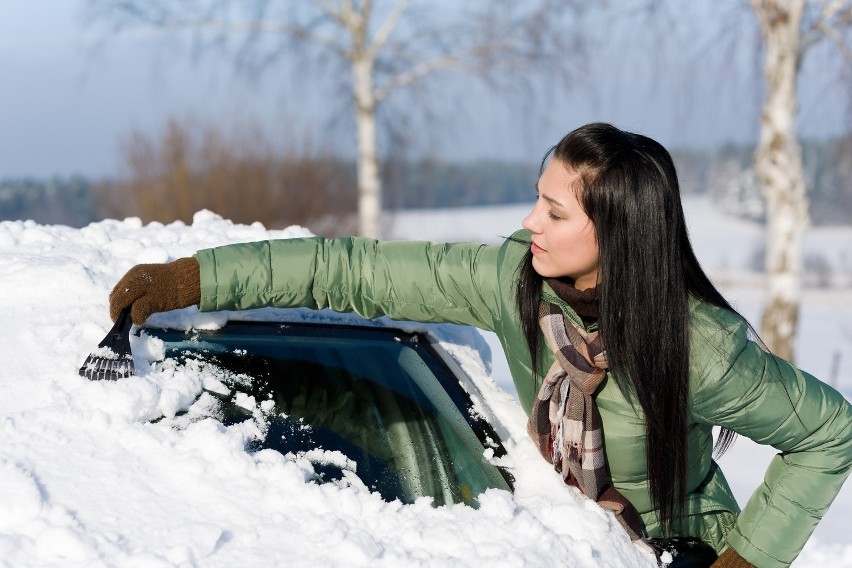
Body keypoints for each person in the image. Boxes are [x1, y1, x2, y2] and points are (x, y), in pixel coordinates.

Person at [109, 123, 852, 568]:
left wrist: (744, 561)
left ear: (615, 235)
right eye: (536, 195)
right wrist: (196, 277)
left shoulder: (699, 348)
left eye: (552, 210)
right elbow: (354, 272)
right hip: (563, 541)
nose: (529, 221)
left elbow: (829, 432)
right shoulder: (512, 281)